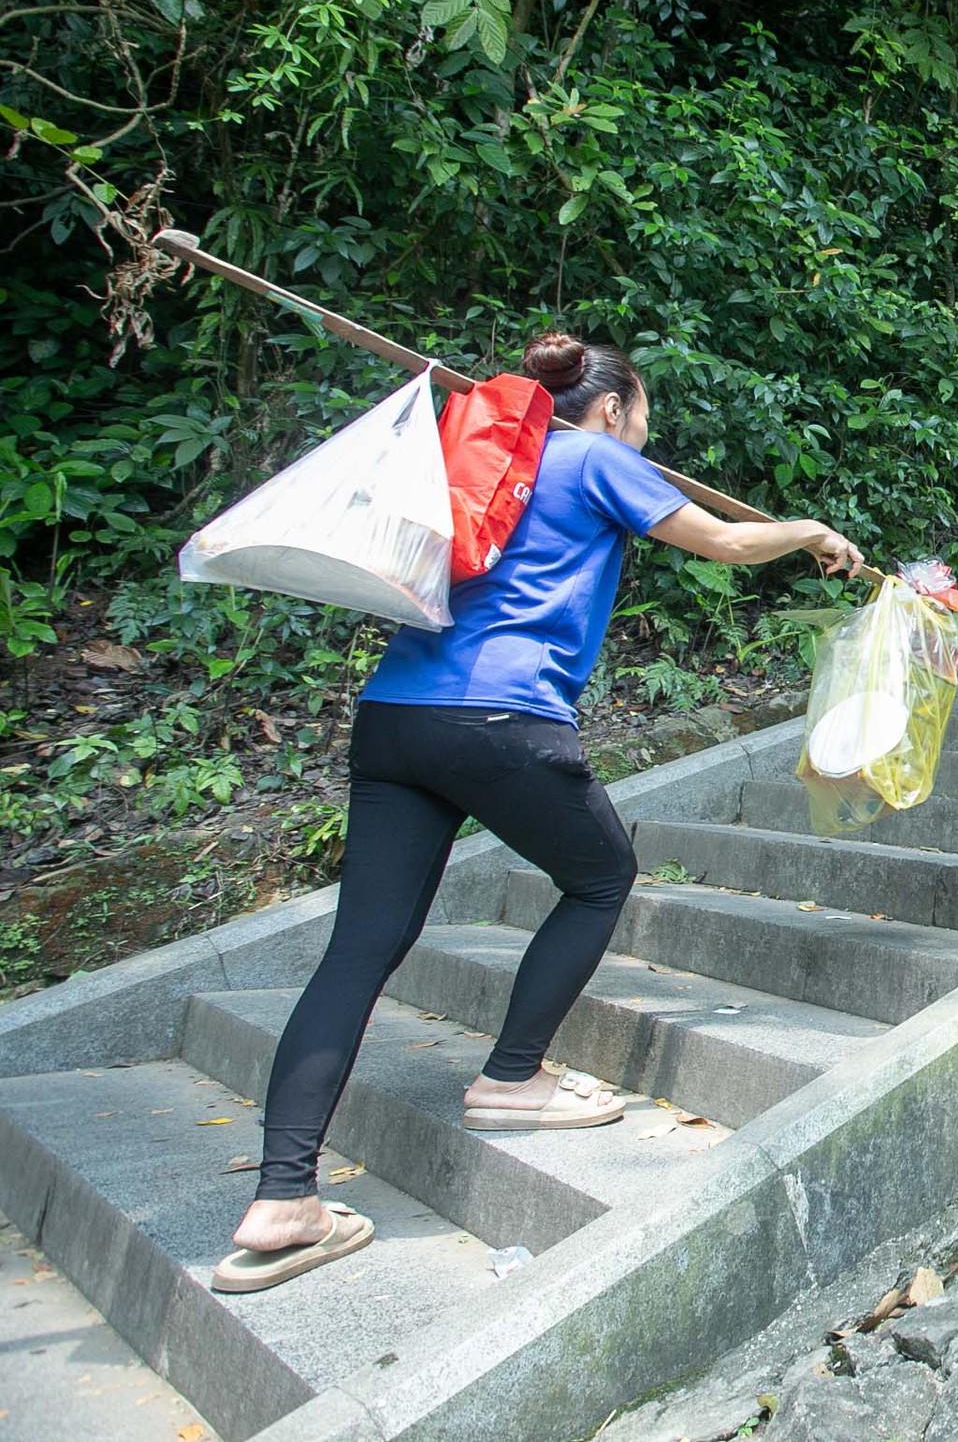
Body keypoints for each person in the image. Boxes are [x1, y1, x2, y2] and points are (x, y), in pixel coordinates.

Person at [219, 334, 863, 1293]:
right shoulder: (601, 456)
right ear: (612, 410)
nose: (648, 432)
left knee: (359, 950)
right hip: (502, 716)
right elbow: (725, 542)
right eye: (644, 414)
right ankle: (512, 1077)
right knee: (603, 877)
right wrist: (808, 530)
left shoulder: (496, 457)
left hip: (396, 715)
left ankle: (282, 1199)